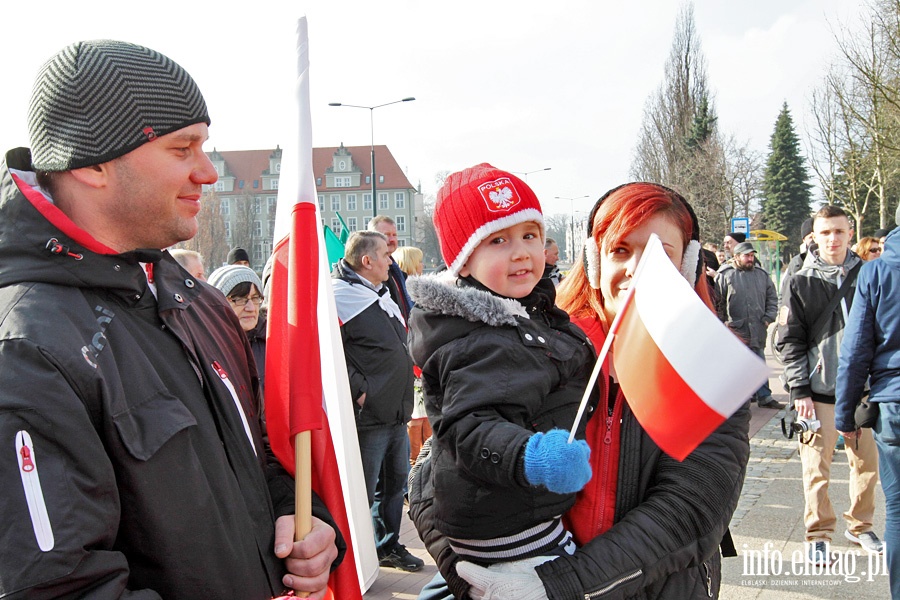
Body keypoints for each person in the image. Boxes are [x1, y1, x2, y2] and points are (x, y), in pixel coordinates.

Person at [0, 40, 343, 598]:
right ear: (93, 164)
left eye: (204, 146)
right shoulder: (28, 348)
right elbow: (57, 587)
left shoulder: (197, 302)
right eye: (183, 149)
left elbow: (251, 457)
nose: (208, 172)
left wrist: (300, 517)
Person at [410, 182, 750, 599]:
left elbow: (689, 510)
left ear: (687, 264)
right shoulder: (536, 344)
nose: (639, 268)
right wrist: (477, 578)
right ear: (594, 261)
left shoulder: (712, 367)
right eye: (621, 250)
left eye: (662, 253)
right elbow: (434, 473)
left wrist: (559, 588)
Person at [407, 164, 595, 569]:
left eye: (530, 235)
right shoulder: (478, 337)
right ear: (463, 261)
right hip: (504, 527)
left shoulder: (528, 310)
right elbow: (468, 428)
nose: (521, 251)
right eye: (497, 240)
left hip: (522, 510)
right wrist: (534, 456)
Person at [776, 204, 883, 565]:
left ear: (851, 233)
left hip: (865, 391)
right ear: (814, 237)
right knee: (816, 468)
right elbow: (788, 340)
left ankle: (861, 526)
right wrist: (799, 391)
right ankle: (819, 533)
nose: (833, 239)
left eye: (839, 231)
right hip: (819, 393)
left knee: (867, 466)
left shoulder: (870, 273)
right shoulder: (799, 280)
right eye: (825, 233)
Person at [332, 231, 423, 572]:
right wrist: (362, 390)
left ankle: (388, 546)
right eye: (384, 255)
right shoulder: (338, 295)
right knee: (363, 490)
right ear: (367, 261)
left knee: (393, 484)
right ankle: (355, 556)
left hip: (396, 409)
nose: (390, 260)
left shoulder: (378, 292)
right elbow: (331, 352)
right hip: (369, 414)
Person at [836, 206, 900, 598]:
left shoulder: (877, 272)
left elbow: (855, 351)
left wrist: (846, 415)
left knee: (897, 509)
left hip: (894, 404)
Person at [715, 242, 782, 409]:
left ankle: (764, 396)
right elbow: (718, 302)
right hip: (735, 329)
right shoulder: (726, 275)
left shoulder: (762, 275)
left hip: (758, 327)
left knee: (758, 361)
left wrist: (768, 317)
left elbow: (772, 298)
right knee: (737, 366)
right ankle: (739, 399)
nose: (750, 259)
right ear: (736, 257)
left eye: (752, 255)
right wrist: (723, 323)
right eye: (747, 256)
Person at [392, 245, 431, 464]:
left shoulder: (416, 290)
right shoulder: (402, 291)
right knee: (415, 419)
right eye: (419, 261)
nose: (423, 266)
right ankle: (414, 463)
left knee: (425, 417)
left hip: (420, 359)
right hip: (412, 361)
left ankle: (426, 462)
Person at [208, 265, 268, 394]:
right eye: (239, 299)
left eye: (255, 298)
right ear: (217, 303)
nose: (251, 307)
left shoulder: (274, 343)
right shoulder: (205, 348)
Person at [369, 215, 414, 321]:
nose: (392, 239)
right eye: (386, 235)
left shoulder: (398, 272)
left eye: (394, 235)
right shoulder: (371, 272)